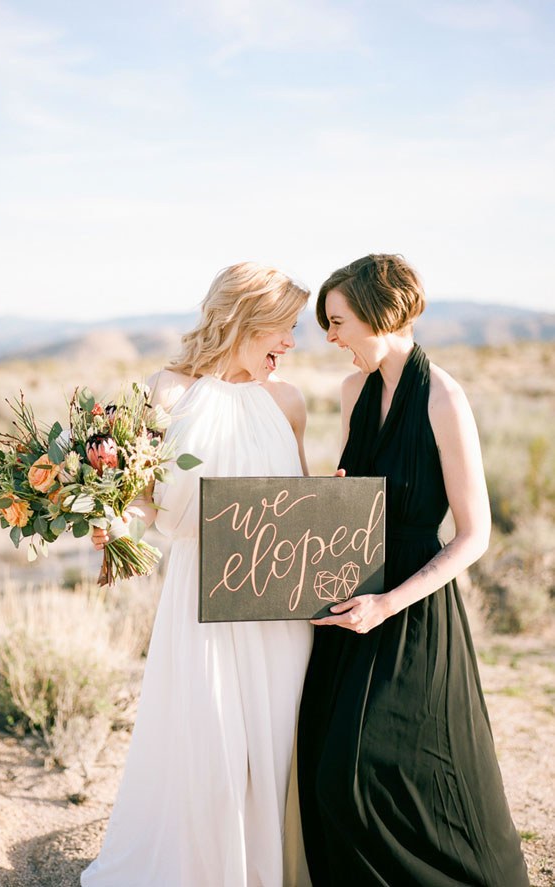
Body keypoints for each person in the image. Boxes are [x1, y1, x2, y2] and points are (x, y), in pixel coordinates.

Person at [297, 254, 529, 887]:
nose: (331, 337)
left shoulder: (445, 399)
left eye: (338, 321)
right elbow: (354, 496)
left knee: (366, 775)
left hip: (410, 607)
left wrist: (389, 603)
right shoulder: (352, 392)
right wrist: (332, 497)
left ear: (381, 313)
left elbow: (474, 534)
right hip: (351, 597)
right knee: (323, 764)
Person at [81, 262, 314, 887]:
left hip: (277, 607)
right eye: (283, 327)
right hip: (200, 598)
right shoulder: (166, 393)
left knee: (275, 741)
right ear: (242, 321)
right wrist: (117, 523)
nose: (292, 343)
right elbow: (143, 497)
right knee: (208, 740)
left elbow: (300, 504)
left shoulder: (288, 401)